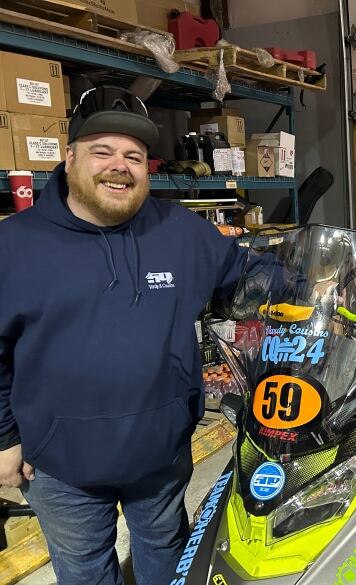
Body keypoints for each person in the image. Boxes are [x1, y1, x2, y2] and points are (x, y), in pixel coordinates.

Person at [0, 86, 251, 584]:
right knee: (86, 570)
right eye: (103, 152)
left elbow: (248, 274)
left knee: (166, 554)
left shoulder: (180, 232)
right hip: (58, 465)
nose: (120, 166)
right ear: (69, 158)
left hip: (159, 454)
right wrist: (3, 438)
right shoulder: (14, 245)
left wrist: (324, 275)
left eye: (133, 156)